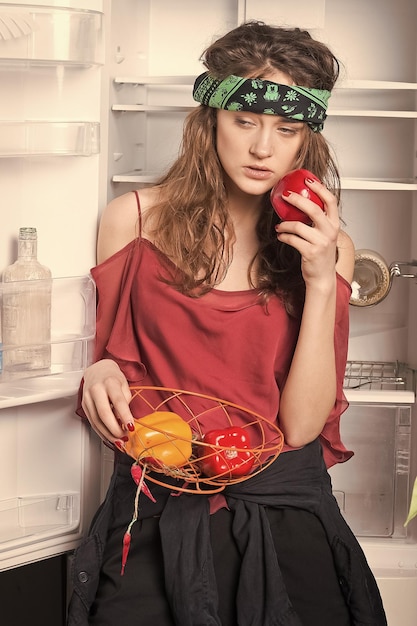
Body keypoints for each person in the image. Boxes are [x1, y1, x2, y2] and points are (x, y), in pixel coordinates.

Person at [67, 21, 387, 626]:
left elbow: (299, 427)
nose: (263, 149)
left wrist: (320, 279)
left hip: (286, 511)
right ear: (209, 120)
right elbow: (105, 359)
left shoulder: (328, 248)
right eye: (244, 122)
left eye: (285, 130)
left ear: (305, 143)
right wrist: (100, 368)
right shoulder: (133, 218)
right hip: (157, 508)